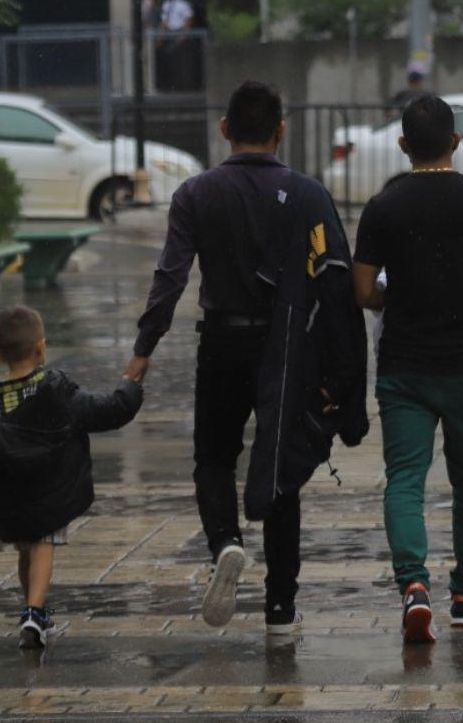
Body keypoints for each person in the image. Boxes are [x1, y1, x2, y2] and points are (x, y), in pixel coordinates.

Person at [126, 80, 368, 636]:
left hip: (222, 343)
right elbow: (335, 285)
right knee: (281, 465)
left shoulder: (196, 193)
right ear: (280, 130)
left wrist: (144, 350)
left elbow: (171, 276)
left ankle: (226, 544)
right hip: (288, 352)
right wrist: (343, 373)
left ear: (225, 129)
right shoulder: (308, 194)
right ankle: (280, 607)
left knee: (214, 456)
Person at [351, 95, 463, 645]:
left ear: (404, 145)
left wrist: (397, 301)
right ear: (455, 142)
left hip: (404, 367)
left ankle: (413, 588)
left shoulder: (382, 207)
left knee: (405, 480)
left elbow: (362, 290)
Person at [0, 306, 144, 650]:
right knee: (44, 542)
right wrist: (130, 388)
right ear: (41, 348)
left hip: (11, 499)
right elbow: (105, 411)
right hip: (49, 492)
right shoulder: (55, 391)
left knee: (25, 549)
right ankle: (34, 611)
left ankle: (33, 608)